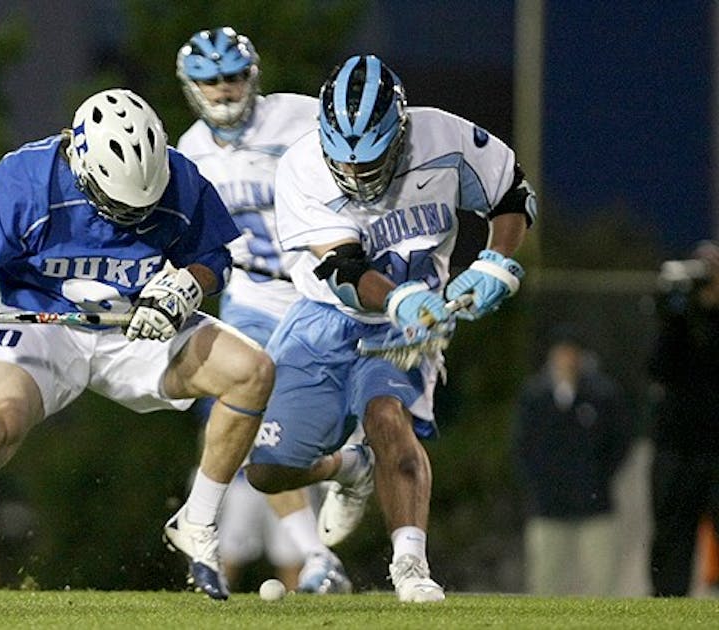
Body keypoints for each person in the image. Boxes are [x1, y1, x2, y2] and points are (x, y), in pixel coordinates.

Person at [0, 88, 273, 603]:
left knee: (252, 370)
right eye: (115, 204)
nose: (126, 218)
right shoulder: (30, 180)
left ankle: (197, 521)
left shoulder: (179, 178)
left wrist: (183, 288)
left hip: (133, 326)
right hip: (44, 327)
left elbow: (213, 260)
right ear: (82, 167)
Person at [244, 54, 537, 603]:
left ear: (400, 131)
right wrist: (400, 298)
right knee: (265, 471)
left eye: (370, 161)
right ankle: (348, 466)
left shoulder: (443, 138)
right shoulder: (302, 167)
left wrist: (497, 261)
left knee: (386, 416)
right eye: (344, 163)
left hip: (410, 327)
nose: (356, 176)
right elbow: (344, 271)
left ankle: (410, 565)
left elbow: (511, 194)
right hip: (326, 316)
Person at [175, 26, 350, 594]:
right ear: (191, 87)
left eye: (232, 77)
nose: (223, 90)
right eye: (210, 80)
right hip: (248, 297)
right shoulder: (188, 151)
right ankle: (316, 557)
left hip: (314, 295)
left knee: (342, 422)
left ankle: (350, 479)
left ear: (252, 77)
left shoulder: (300, 119)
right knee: (255, 425)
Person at [513, 325, 633, 595]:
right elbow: (524, 448)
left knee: (602, 583)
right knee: (546, 581)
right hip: (548, 506)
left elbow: (619, 443)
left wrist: (598, 480)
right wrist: (539, 485)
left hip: (594, 504)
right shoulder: (535, 396)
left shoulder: (602, 395)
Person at [648, 240, 719, 597]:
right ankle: (667, 601)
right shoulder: (679, 318)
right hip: (678, 444)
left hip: (715, 445)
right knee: (672, 530)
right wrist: (675, 313)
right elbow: (659, 368)